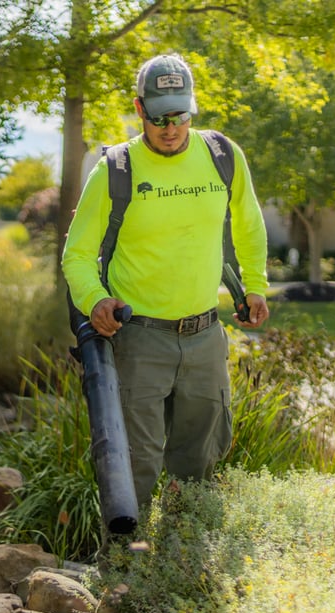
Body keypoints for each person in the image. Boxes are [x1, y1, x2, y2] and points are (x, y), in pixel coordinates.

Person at [62, 53, 271, 506]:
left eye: (180, 115)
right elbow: (76, 254)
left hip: (205, 338)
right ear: (140, 110)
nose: (171, 128)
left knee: (199, 463)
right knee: (134, 467)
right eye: (160, 118)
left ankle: (183, 565)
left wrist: (255, 284)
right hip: (139, 339)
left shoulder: (223, 157)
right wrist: (95, 299)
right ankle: (122, 567)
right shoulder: (115, 170)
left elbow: (250, 226)